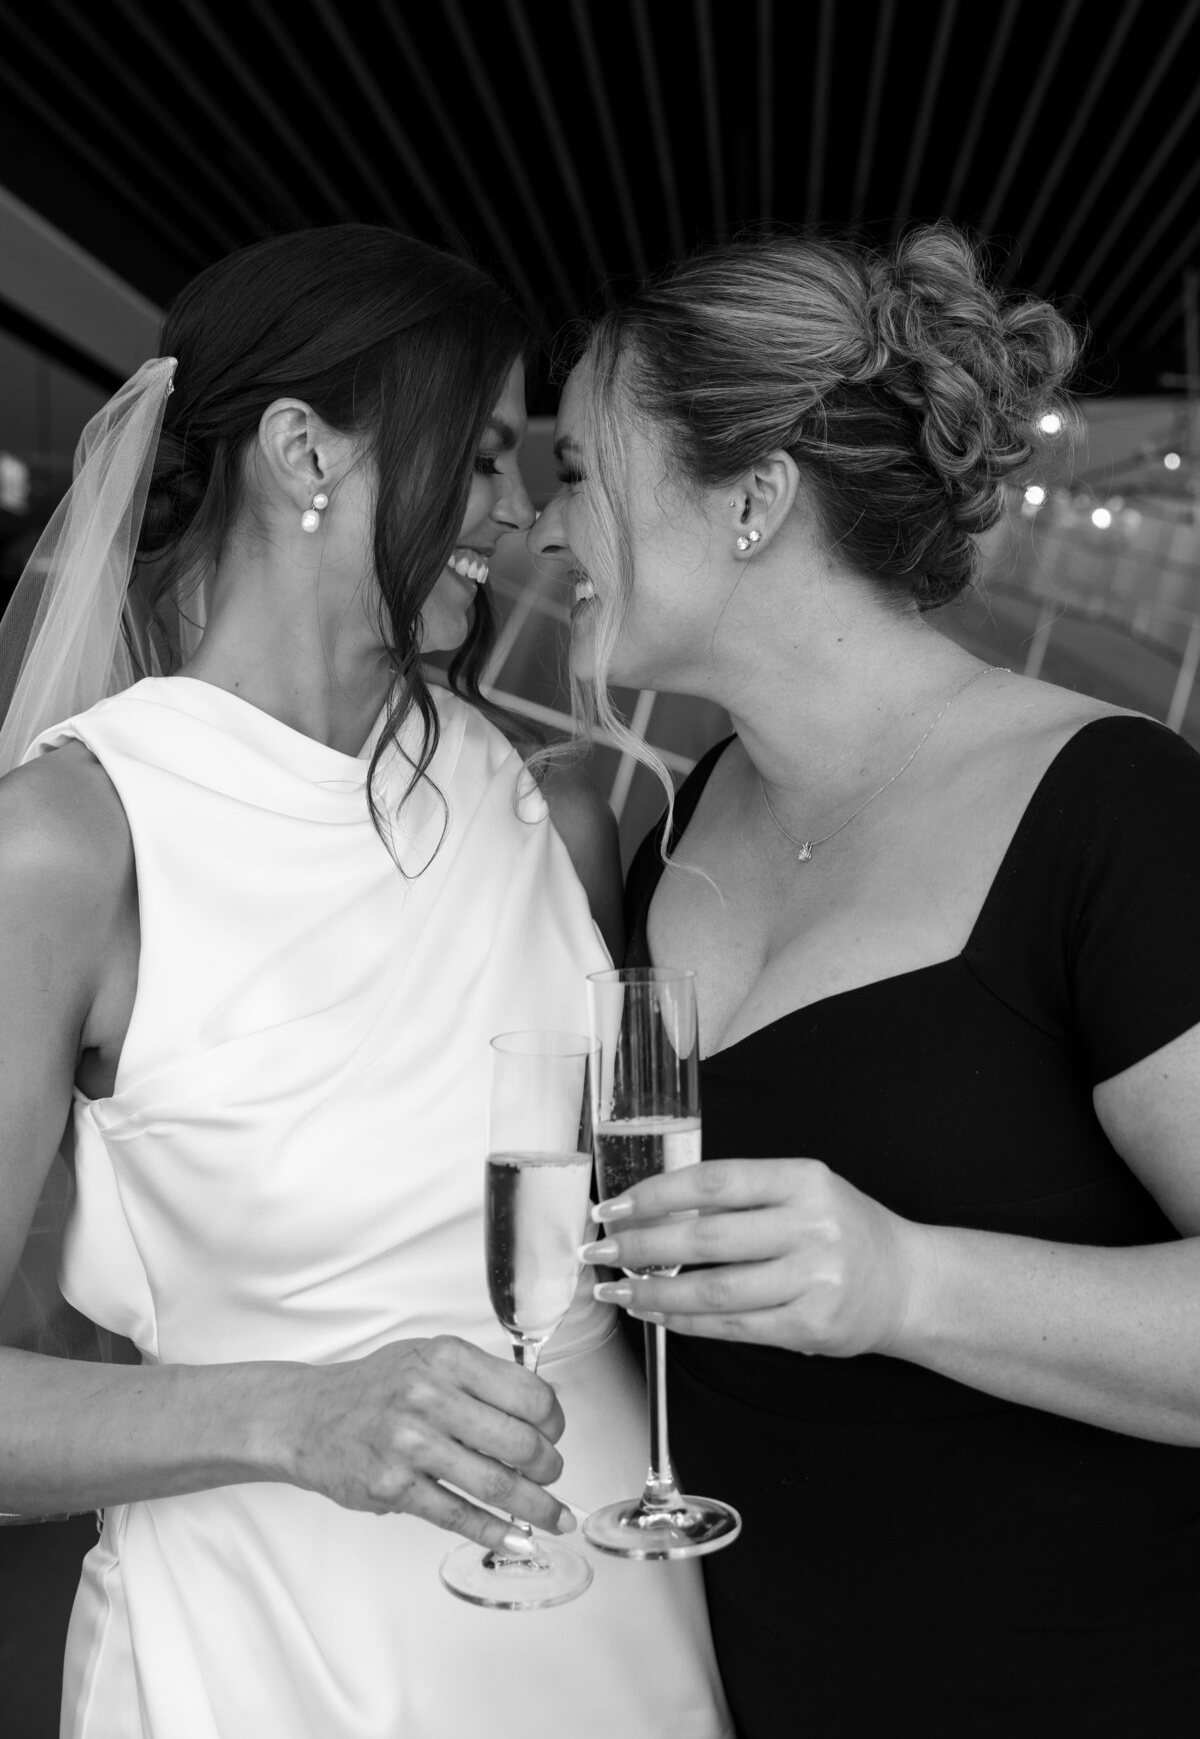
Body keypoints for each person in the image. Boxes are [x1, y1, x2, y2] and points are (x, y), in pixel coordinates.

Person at [0, 226, 731, 1739]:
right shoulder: (71, 846)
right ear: (297, 452)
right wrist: (291, 1413)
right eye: (473, 461)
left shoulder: (561, 812)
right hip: (273, 1663)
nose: (520, 514)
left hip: (614, 1639)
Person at [531, 222, 1200, 1736]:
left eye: (574, 471)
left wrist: (909, 1280)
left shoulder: (1114, 811)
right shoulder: (688, 809)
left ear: (755, 500)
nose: (541, 533)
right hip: (746, 1679)